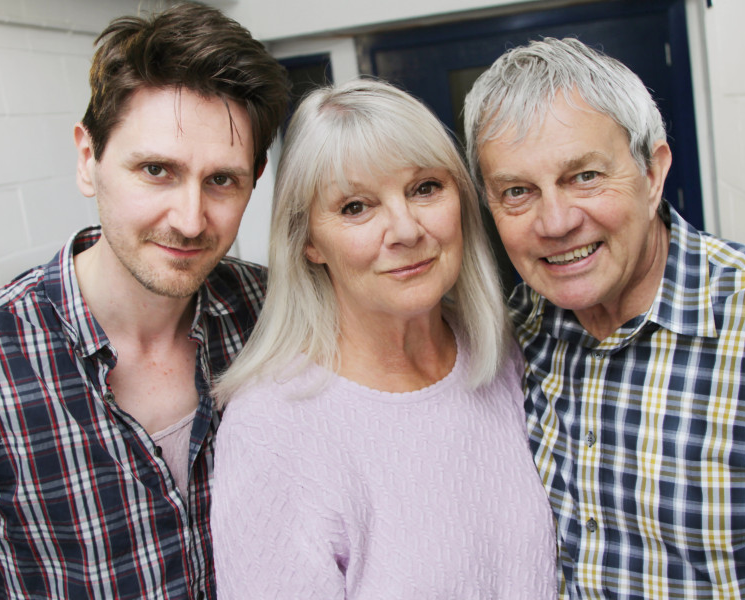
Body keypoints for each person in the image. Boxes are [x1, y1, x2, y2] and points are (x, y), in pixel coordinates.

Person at [463, 37, 745, 599]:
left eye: (584, 176)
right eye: (518, 192)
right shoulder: (512, 341)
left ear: (653, 174)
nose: (555, 222)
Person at [0, 3, 289, 598]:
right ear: (88, 159)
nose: (189, 219)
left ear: (254, 181)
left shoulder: (274, 313)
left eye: (222, 180)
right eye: (156, 170)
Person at [210, 78, 558, 599]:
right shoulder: (272, 425)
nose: (405, 230)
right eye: (356, 207)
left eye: (424, 189)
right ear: (309, 242)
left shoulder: (503, 352)